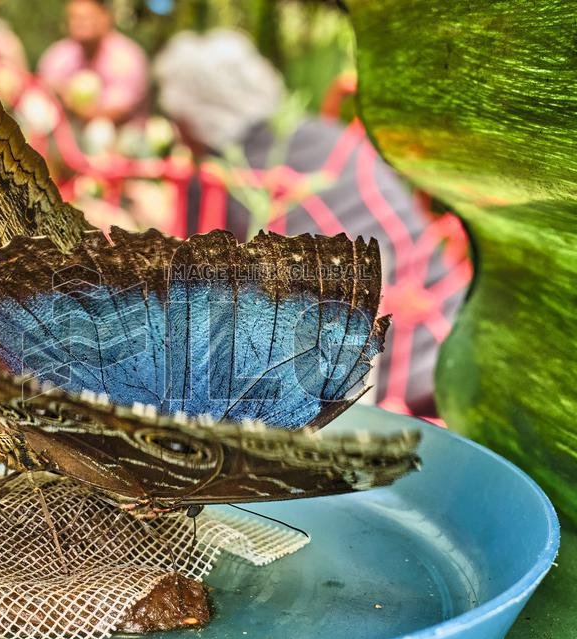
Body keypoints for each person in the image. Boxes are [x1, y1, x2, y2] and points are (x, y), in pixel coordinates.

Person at [153, 29, 468, 417]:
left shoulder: (224, 181)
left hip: (372, 389)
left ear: (191, 117)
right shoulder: (333, 138)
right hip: (452, 346)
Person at [37, 0, 149, 124]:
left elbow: (115, 114)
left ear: (106, 17)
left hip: (122, 134)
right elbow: (41, 89)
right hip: (68, 133)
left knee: (100, 131)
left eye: (86, 17)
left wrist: (71, 102)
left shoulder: (127, 58)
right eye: (74, 18)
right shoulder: (58, 55)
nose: (80, 24)